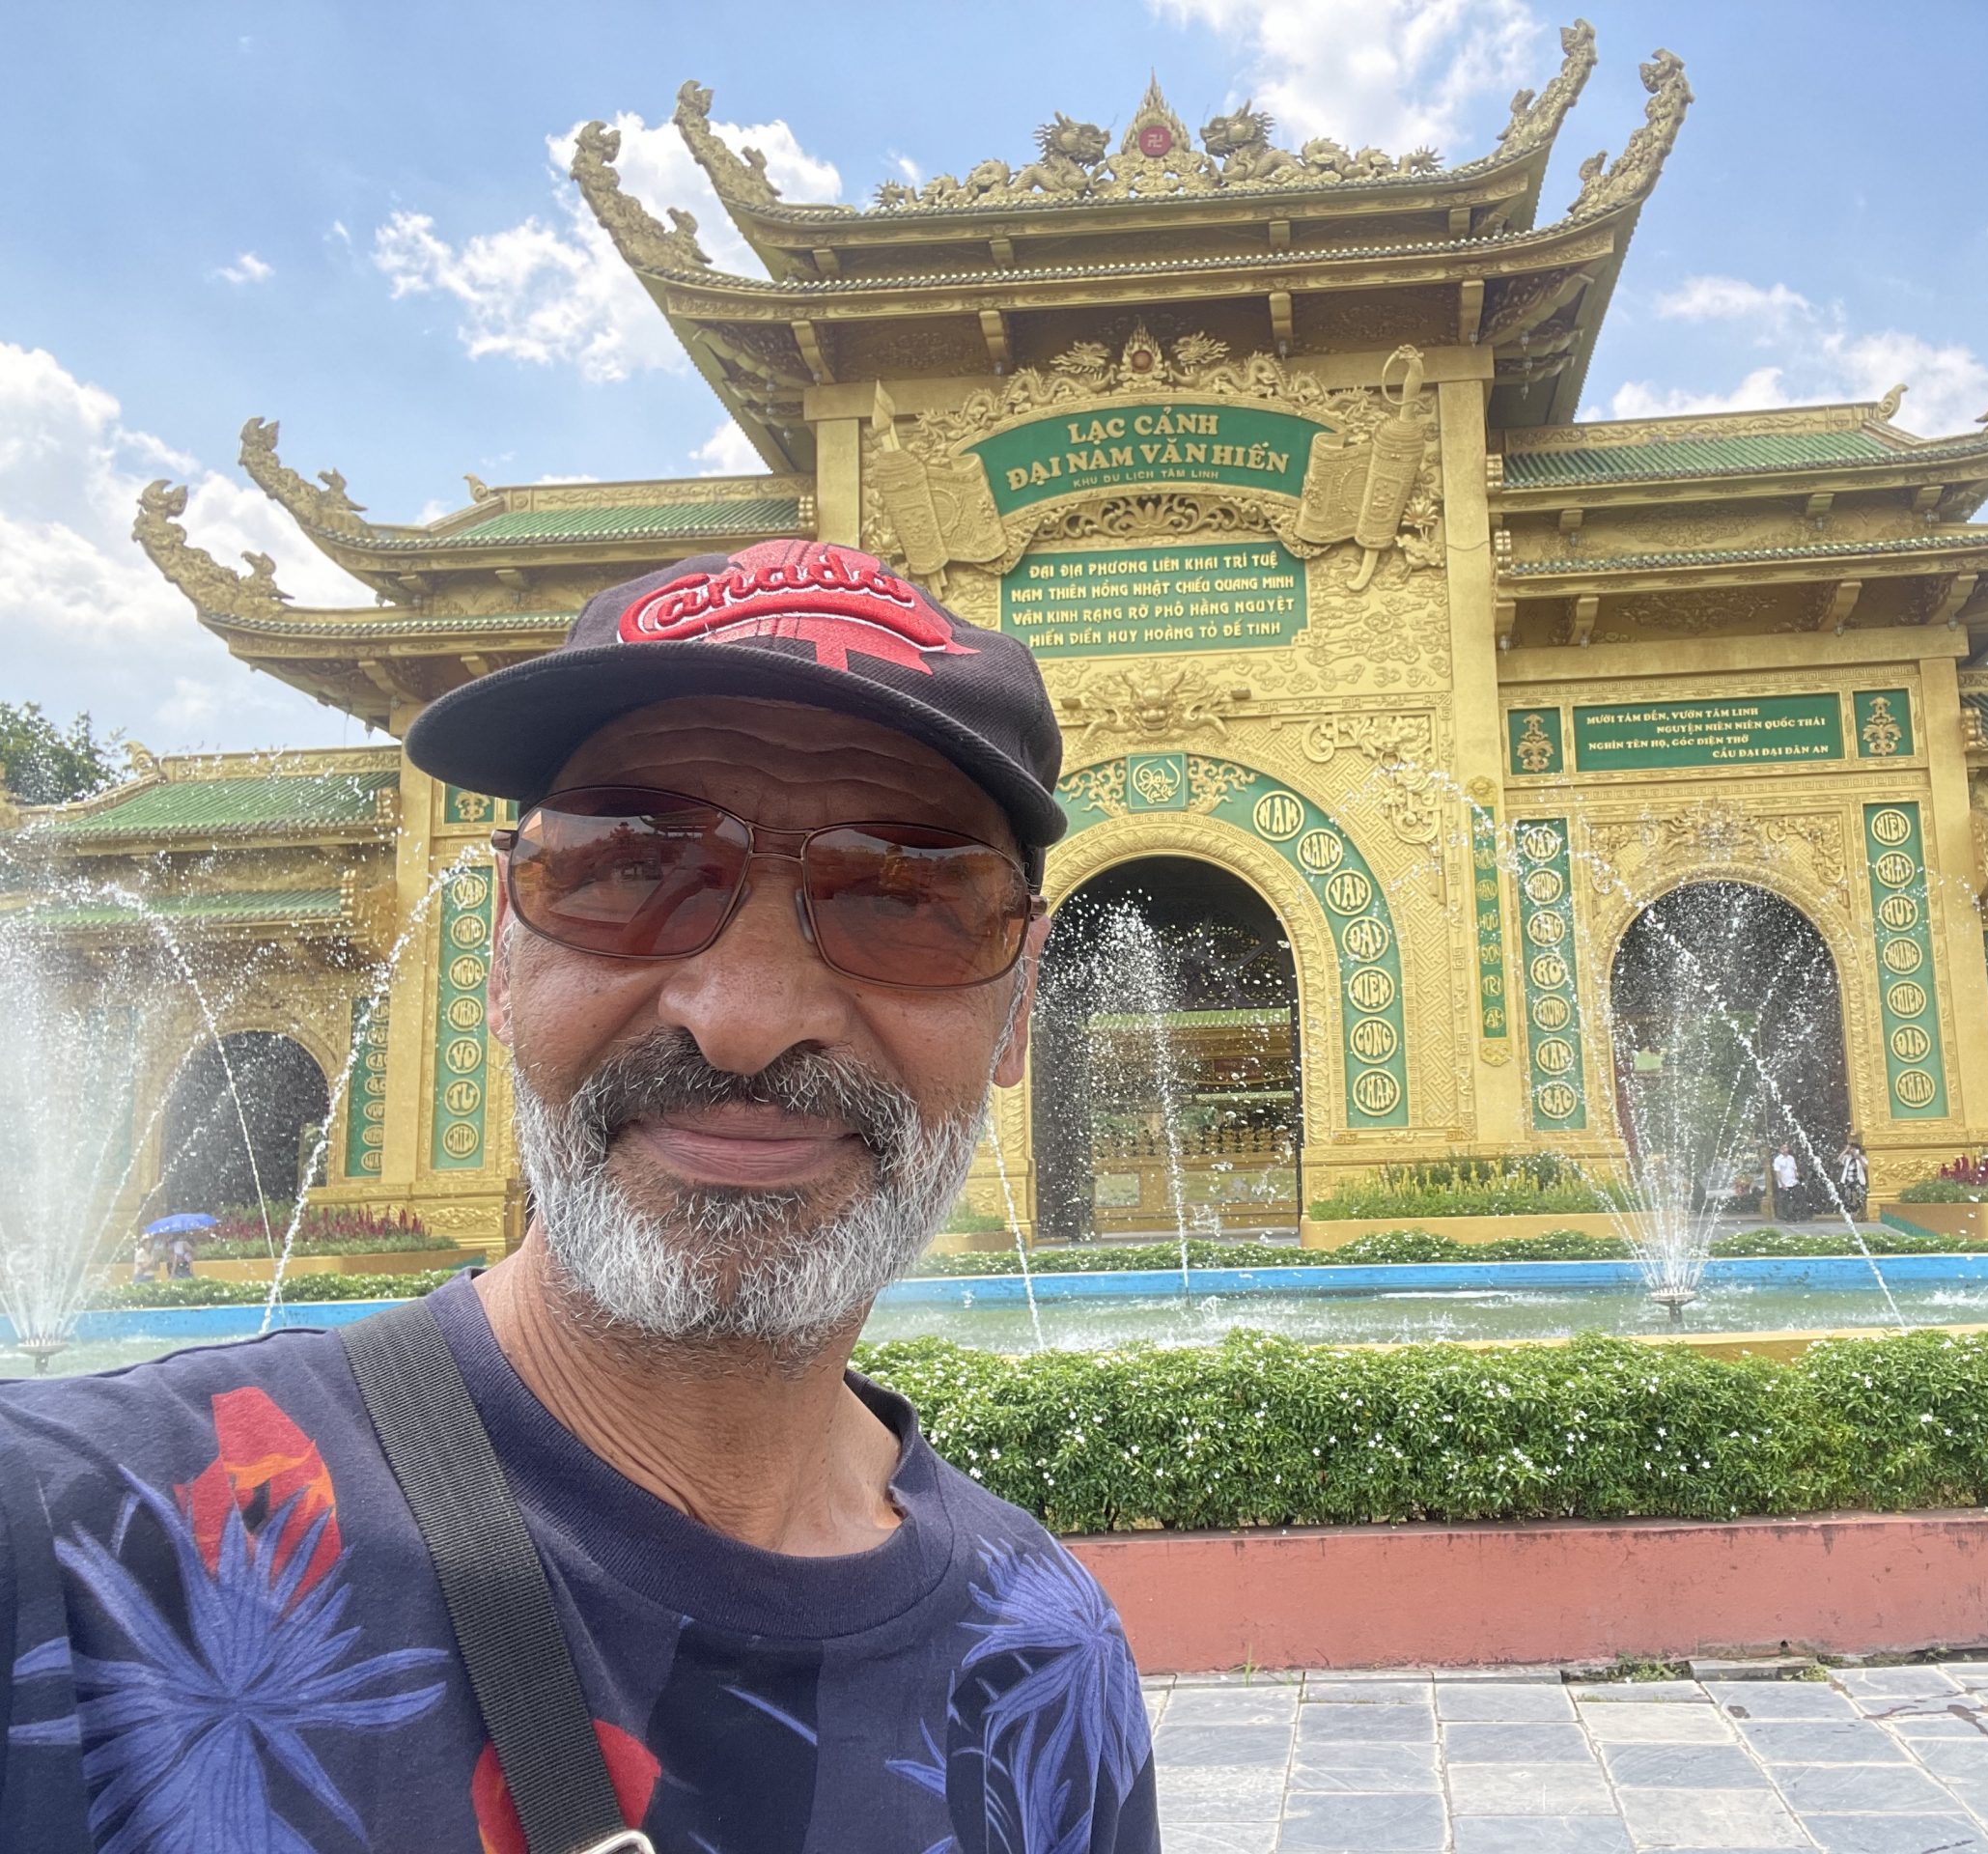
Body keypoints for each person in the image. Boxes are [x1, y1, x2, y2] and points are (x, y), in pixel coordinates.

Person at [0, 541, 1159, 1852]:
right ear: (504, 954)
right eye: (629, 868)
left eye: (904, 895)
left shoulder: (1047, 1657)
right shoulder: (76, 1548)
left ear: (1017, 1008)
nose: (742, 1019)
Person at [1835, 1137, 1870, 1217]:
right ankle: (1849, 1211)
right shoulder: (1847, 1158)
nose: (1852, 1151)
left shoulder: (1862, 1158)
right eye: (1851, 1149)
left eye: (1853, 1149)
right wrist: (1846, 1150)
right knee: (1848, 1196)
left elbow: (1865, 1167)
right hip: (1847, 1180)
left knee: (1857, 1196)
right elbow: (1839, 1159)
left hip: (1857, 1180)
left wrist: (1859, 1158)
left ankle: (1858, 1211)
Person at [1770, 1142, 1802, 1222]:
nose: (1785, 1150)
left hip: (1793, 1182)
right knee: (1787, 1201)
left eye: (1786, 1148)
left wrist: (1797, 1178)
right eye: (1783, 1148)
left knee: (1796, 1199)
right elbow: (1778, 1172)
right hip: (1784, 1183)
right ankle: (1788, 1216)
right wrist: (1782, 1183)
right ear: (1780, 1150)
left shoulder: (1791, 1158)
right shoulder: (1777, 1160)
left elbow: (1794, 1169)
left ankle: (1794, 1215)